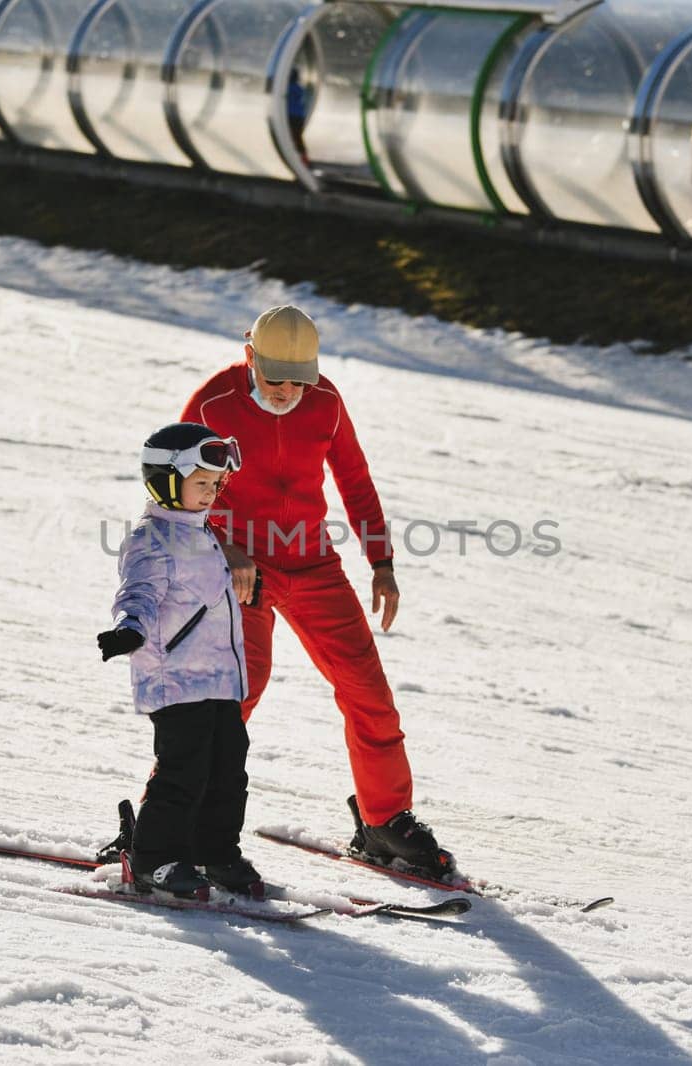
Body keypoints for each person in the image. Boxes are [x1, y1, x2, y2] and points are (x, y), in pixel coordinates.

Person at [180, 305, 454, 879]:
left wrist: (381, 560)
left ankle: (383, 820)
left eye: (297, 379)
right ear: (249, 356)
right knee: (234, 694)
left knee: (368, 690)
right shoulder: (213, 405)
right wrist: (223, 549)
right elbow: (177, 490)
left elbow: (354, 479)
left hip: (311, 563)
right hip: (238, 565)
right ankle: (174, 821)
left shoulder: (325, 402)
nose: (285, 392)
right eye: (273, 377)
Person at [96, 422, 262, 899]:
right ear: (168, 481)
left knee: (228, 769)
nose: (211, 494)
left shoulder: (201, 533)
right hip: (175, 680)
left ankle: (215, 852)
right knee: (183, 771)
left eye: (215, 485)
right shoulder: (152, 538)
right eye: (201, 484)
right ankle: (155, 859)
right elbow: (138, 592)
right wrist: (129, 627)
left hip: (220, 681)